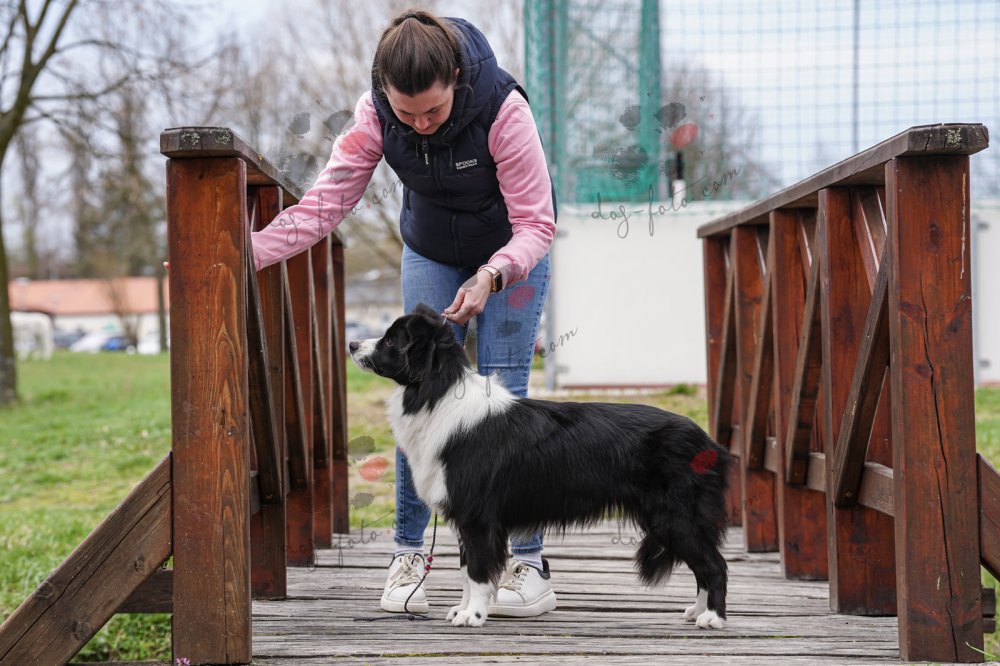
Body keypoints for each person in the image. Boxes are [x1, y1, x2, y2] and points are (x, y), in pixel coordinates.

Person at [251, 9, 557, 617]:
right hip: (431, 250)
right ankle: (409, 555)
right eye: (406, 113)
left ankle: (527, 561)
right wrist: (241, 253)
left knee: (504, 401)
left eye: (433, 112)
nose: (419, 125)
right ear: (384, 93)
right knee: (419, 395)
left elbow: (536, 224)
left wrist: (493, 274)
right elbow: (323, 206)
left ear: (456, 80)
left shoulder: (504, 110)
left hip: (512, 255)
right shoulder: (374, 115)